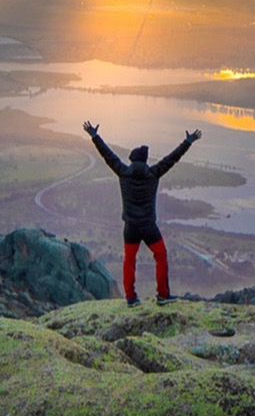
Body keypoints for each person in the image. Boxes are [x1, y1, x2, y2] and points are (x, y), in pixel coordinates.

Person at [83, 121, 201, 306]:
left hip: (130, 227)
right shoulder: (154, 173)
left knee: (129, 261)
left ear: (132, 160)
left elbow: (108, 156)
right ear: (145, 161)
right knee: (161, 255)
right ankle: (163, 295)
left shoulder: (123, 172)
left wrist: (95, 137)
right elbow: (172, 159)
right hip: (148, 227)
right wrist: (188, 142)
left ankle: (131, 298)